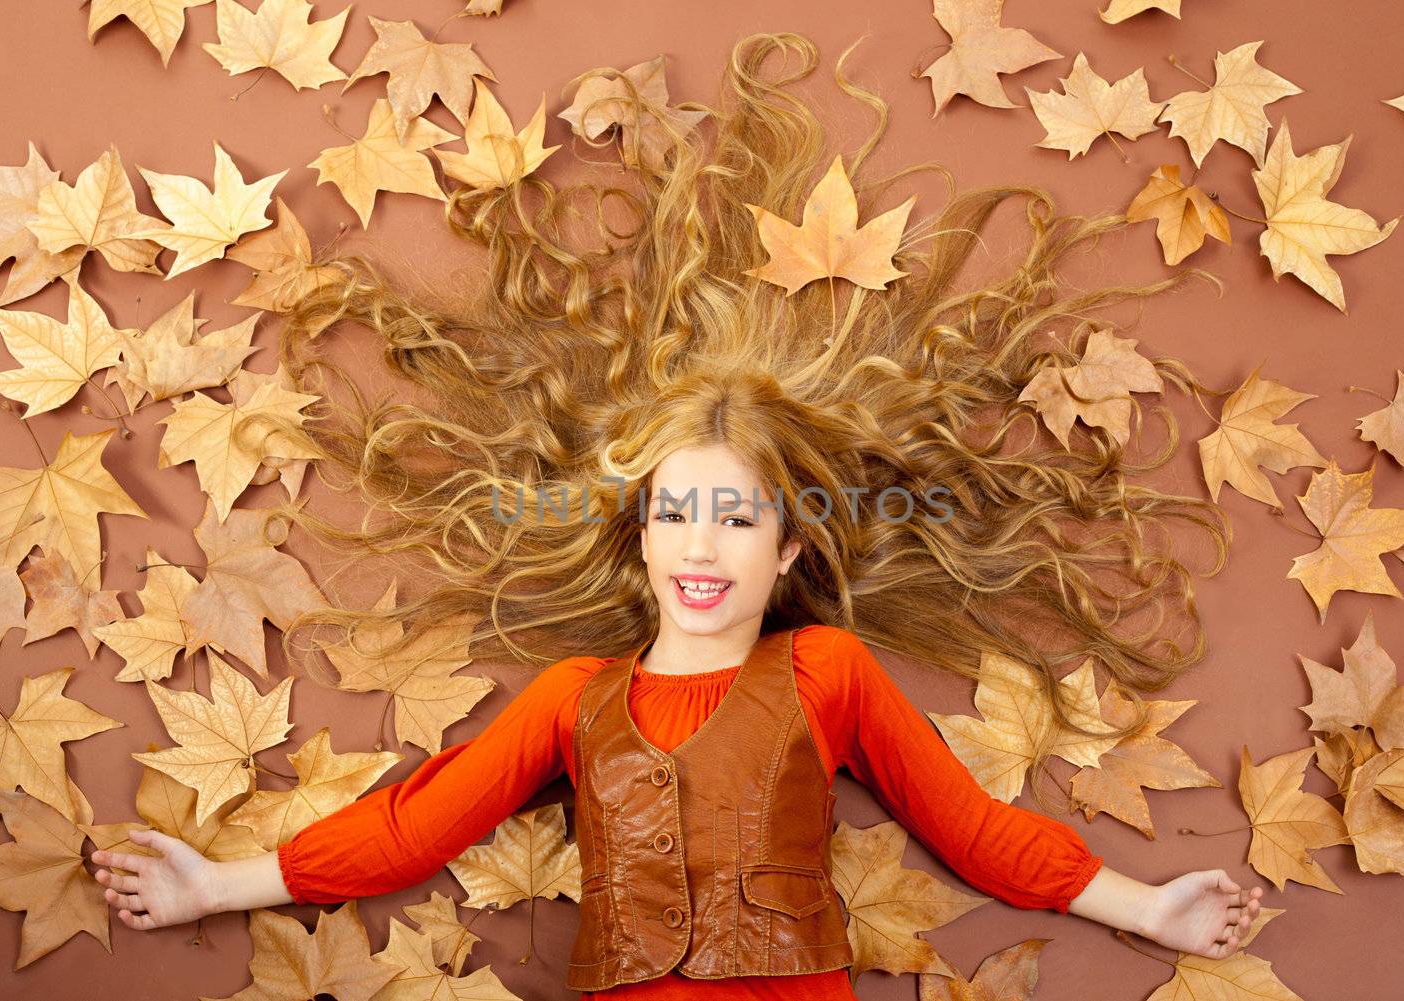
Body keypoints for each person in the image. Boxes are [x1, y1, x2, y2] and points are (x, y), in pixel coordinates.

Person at [91, 30, 1259, 994]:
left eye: (738, 519)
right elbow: (410, 829)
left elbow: (974, 827)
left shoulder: (827, 673)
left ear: (789, 543)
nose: (701, 545)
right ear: (640, 531)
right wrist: (211, 884)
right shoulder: (570, 700)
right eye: (676, 513)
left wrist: (1150, 903)